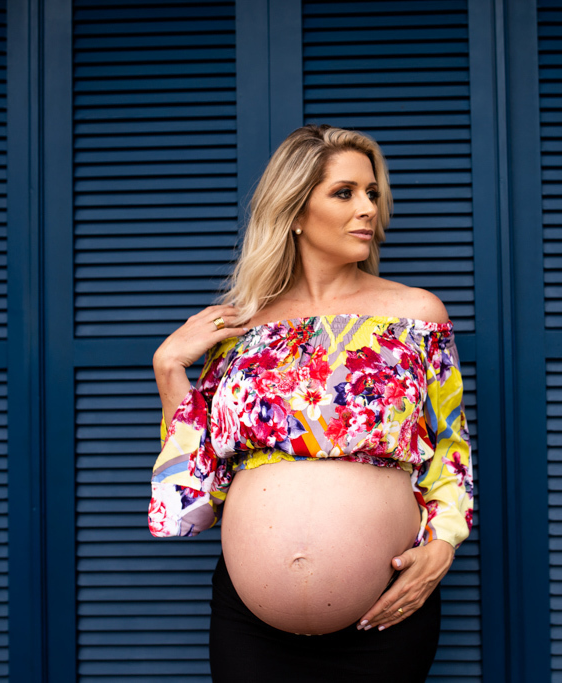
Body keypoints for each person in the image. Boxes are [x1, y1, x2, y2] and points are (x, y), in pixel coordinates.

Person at [148, 124, 474, 682]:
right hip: (250, 624)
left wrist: (443, 544)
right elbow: (194, 497)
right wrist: (167, 368)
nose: (367, 208)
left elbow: (449, 443)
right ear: (295, 211)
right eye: (344, 193)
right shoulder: (238, 328)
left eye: (372, 193)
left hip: (385, 615)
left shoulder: (416, 315)